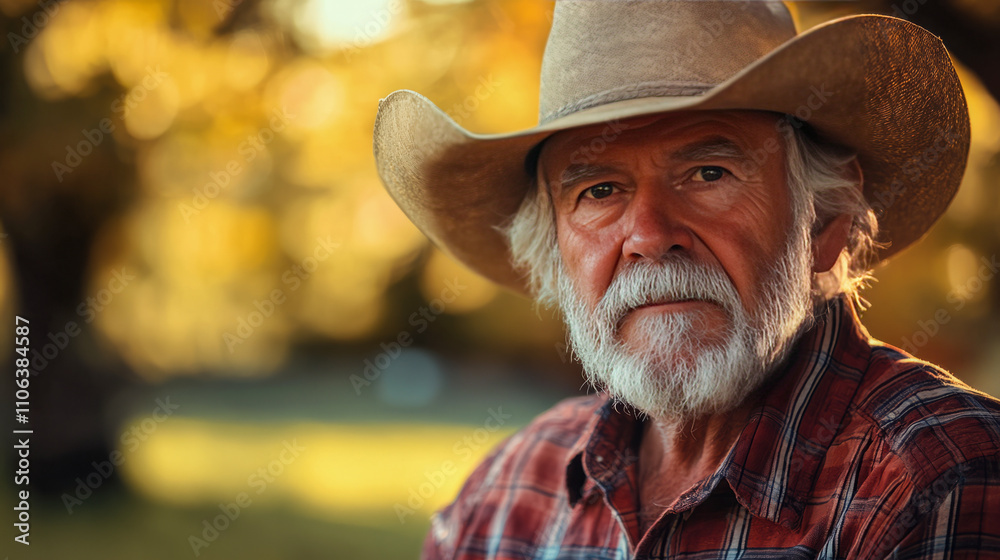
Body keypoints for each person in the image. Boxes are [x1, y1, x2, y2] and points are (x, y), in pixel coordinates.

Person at [373, 1, 1000, 558]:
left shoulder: (939, 477)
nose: (649, 235)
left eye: (708, 172)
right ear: (556, 253)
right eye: (599, 190)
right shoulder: (505, 496)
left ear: (824, 220)